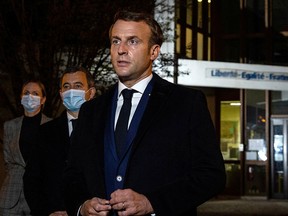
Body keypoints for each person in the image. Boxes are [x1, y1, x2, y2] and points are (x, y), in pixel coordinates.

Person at [64, 10, 226, 216]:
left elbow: (211, 175)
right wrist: (82, 205)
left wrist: (152, 203)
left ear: (154, 52)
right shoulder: (91, 110)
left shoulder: (186, 103)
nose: (121, 50)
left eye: (132, 42)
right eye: (115, 41)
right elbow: (72, 174)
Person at [23, 66, 96, 216]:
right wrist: (46, 212)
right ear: (61, 94)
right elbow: (32, 180)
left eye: (78, 86)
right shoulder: (45, 132)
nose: (71, 91)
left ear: (91, 92)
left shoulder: (104, 129)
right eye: (66, 87)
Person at [0, 79, 51, 215]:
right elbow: (8, 162)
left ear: (43, 99)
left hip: (40, 194)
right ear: (21, 97)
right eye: (26, 93)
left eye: (35, 93)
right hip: (11, 195)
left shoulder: (52, 126)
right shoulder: (9, 126)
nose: (30, 97)